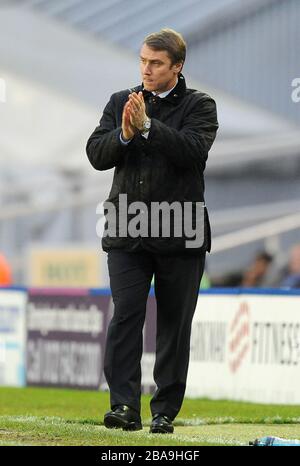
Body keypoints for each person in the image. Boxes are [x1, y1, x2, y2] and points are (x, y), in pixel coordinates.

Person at [86, 28, 218, 434]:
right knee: (125, 315)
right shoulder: (119, 102)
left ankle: (164, 410)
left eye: (156, 63)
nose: (146, 68)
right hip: (127, 230)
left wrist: (147, 128)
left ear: (177, 66)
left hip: (181, 231)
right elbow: (96, 154)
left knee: (174, 324)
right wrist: (125, 133)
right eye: (143, 60)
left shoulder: (200, 105)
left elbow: (192, 151)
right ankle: (124, 406)